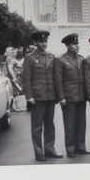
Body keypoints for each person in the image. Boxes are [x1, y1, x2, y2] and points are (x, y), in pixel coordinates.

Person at [20, 30, 63, 162]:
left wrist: (58, 95)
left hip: (50, 96)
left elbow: (56, 77)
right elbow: (26, 79)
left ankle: (50, 150)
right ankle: (39, 153)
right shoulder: (30, 58)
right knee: (37, 127)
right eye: (41, 41)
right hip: (37, 97)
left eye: (45, 41)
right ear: (36, 42)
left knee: (50, 125)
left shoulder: (51, 57)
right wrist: (29, 96)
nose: (44, 44)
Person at [56, 33, 89, 157]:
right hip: (69, 98)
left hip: (81, 96)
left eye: (77, 44)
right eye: (74, 44)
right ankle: (70, 149)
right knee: (69, 124)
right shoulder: (61, 60)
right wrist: (61, 97)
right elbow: (58, 80)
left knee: (81, 123)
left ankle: (81, 147)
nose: (77, 46)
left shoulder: (81, 59)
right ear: (68, 46)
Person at [7, 47, 26, 111]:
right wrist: (13, 77)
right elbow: (10, 69)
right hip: (14, 78)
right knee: (14, 92)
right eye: (13, 52)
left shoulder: (16, 60)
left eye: (15, 52)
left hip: (19, 77)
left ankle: (18, 106)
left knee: (18, 92)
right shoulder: (10, 60)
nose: (14, 53)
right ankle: (14, 107)